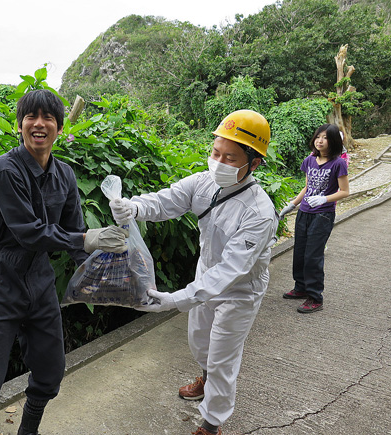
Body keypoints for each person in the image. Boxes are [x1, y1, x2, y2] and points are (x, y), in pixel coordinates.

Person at [0, 89, 128, 435]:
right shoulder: (4, 171)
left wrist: (109, 266)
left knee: (49, 371)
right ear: (20, 125)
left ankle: (27, 431)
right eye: (32, 116)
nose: (39, 124)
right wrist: (86, 239)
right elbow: (29, 233)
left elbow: (75, 234)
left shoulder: (65, 175)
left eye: (48, 118)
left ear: (59, 127)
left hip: (40, 282)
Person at [110, 110, 278, 435]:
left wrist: (175, 299)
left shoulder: (260, 213)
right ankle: (204, 379)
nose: (218, 162)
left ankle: (211, 424)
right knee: (199, 341)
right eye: (216, 153)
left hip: (238, 292)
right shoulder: (204, 182)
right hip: (205, 278)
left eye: (229, 158)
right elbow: (167, 201)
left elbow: (230, 272)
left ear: (253, 163)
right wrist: (133, 206)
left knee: (222, 359)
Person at [279, 124, 349, 313]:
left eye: (325, 137)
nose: (320, 140)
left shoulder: (338, 163)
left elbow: (345, 191)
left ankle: (315, 297)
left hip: (323, 214)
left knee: (313, 256)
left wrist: (324, 198)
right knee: (300, 252)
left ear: (333, 140)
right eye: (318, 136)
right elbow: (307, 187)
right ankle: (301, 288)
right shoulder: (309, 160)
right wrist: (292, 205)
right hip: (304, 212)